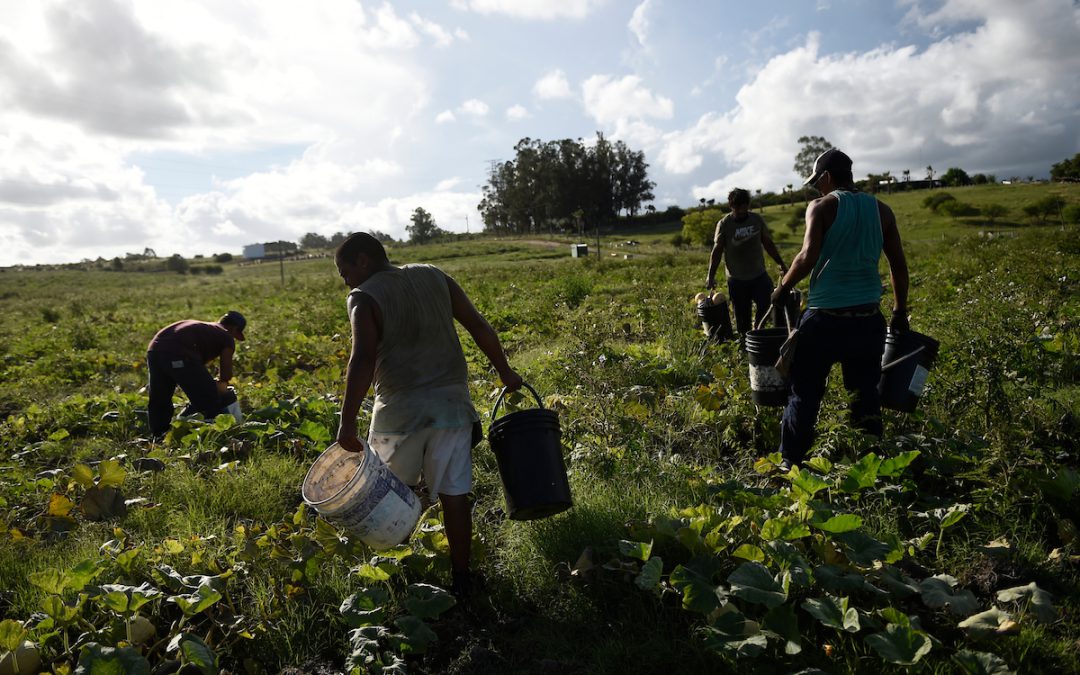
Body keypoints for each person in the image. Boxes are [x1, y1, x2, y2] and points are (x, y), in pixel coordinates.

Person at [333, 232, 522, 599]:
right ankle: (463, 577)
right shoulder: (435, 275)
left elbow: (362, 359)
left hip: (398, 414)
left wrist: (347, 421)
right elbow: (478, 325)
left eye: (344, 270)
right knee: (455, 494)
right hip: (452, 406)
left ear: (363, 261)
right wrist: (505, 371)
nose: (344, 279)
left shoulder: (363, 296)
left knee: (386, 496)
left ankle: (396, 577)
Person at [770, 148, 909, 471]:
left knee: (804, 393)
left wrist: (782, 289)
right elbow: (898, 266)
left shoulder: (821, 207)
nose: (816, 188)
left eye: (816, 182)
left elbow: (806, 257)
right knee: (864, 395)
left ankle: (791, 463)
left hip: (825, 319)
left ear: (827, 177)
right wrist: (899, 311)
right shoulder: (882, 210)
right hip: (868, 319)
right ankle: (870, 465)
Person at [146, 311, 247, 437]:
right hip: (179, 353)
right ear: (234, 328)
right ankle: (211, 436)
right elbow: (226, 375)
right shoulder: (226, 336)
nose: (234, 339)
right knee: (209, 398)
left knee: (160, 398)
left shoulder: (206, 328)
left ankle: (159, 436)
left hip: (154, 351)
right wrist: (219, 384)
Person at [706, 188, 788, 335]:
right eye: (738, 207)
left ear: (748, 205)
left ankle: (758, 330)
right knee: (742, 318)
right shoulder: (724, 224)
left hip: (759, 275)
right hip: (737, 278)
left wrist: (780, 263)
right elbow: (717, 251)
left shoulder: (756, 220)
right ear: (731, 206)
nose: (742, 210)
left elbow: (768, 243)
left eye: (745, 206)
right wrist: (710, 276)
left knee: (768, 303)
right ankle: (745, 345)